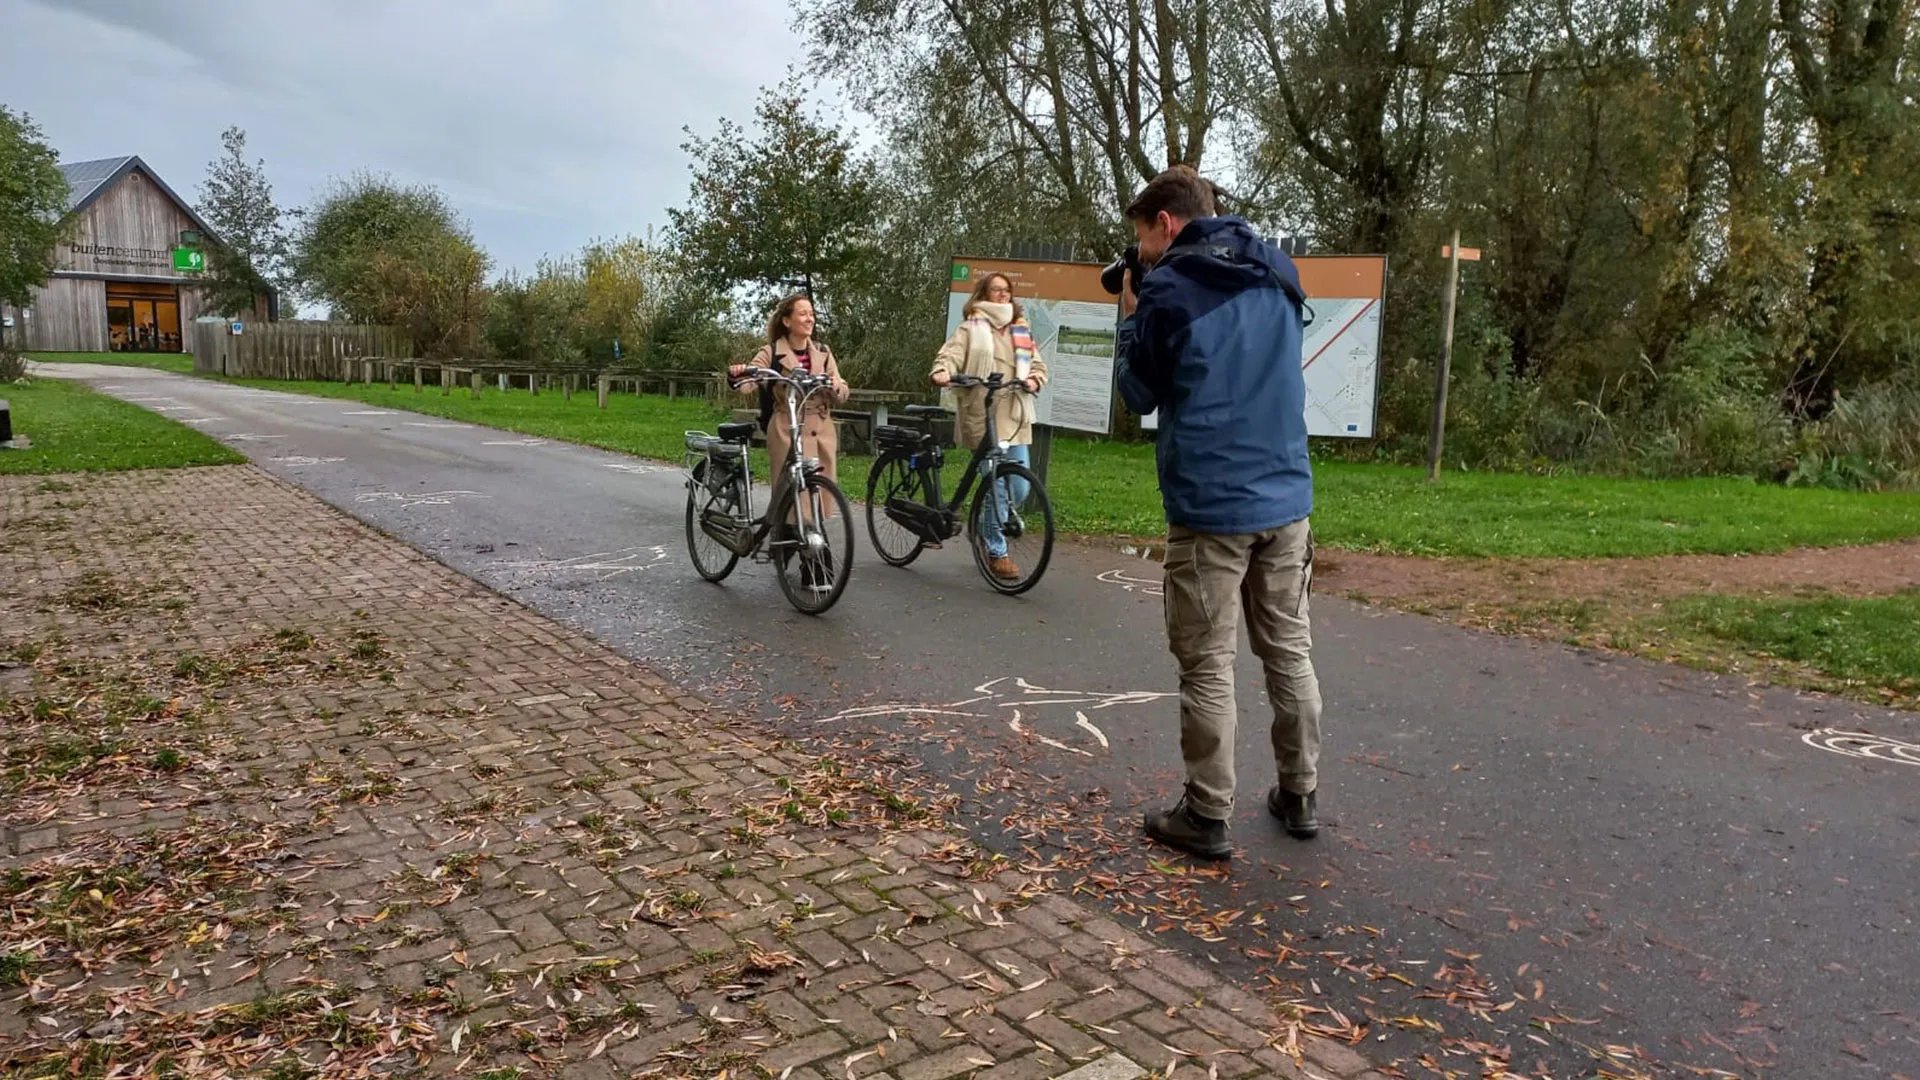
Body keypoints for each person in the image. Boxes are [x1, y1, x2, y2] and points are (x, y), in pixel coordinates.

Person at [1114, 165, 1323, 859]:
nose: (1141, 251)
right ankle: (1300, 794)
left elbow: (1138, 393)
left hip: (1211, 506)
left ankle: (1206, 814)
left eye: (1142, 236)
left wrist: (1131, 318)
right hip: (1287, 496)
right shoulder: (1278, 269)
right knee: (1288, 649)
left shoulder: (1170, 288)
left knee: (1207, 662)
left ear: (1167, 222)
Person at [930, 273, 1048, 580]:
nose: (1002, 295)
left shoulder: (1021, 330)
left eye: (1006, 290)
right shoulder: (971, 328)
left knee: (1019, 488)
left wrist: (1034, 378)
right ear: (983, 294)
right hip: (983, 416)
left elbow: (1037, 365)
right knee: (995, 485)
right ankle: (997, 551)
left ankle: (982, 527)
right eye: (995, 290)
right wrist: (943, 372)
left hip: (1015, 417)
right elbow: (950, 356)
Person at [728, 294, 850, 528]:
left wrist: (836, 386)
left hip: (821, 430)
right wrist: (739, 373)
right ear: (787, 321)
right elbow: (749, 381)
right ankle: (789, 542)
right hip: (787, 428)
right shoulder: (772, 352)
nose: (809, 319)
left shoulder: (824, 352)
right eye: (803, 314)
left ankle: (806, 544)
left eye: (812, 314)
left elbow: (843, 390)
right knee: (792, 500)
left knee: (819, 493)